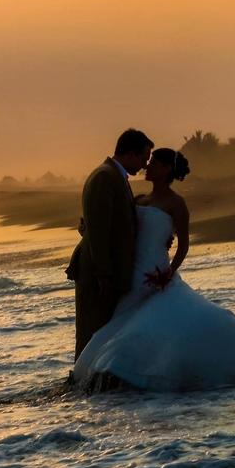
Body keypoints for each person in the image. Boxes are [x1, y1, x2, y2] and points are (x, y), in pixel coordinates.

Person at [72, 148, 235, 391]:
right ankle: (126, 372)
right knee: (127, 319)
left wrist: (169, 272)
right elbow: (118, 226)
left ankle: (148, 374)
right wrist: (89, 227)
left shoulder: (176, 204)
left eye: (154, 163)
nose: (148, 166)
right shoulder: (139, 200)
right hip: (134, 270)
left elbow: (184, 246)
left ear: (167, 169)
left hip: (156, 269)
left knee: (152, 321)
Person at [65, 129, 153, 362]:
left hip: (105, 270)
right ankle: (86, 384)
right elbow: (100, 231)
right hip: (98, 272)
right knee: (93, 332)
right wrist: (104, 274)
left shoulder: (115, 176)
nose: (145, 164)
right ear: (131, 153)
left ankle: (98, 384)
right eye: (144, 157)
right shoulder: (106, 177)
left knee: (101, 331)